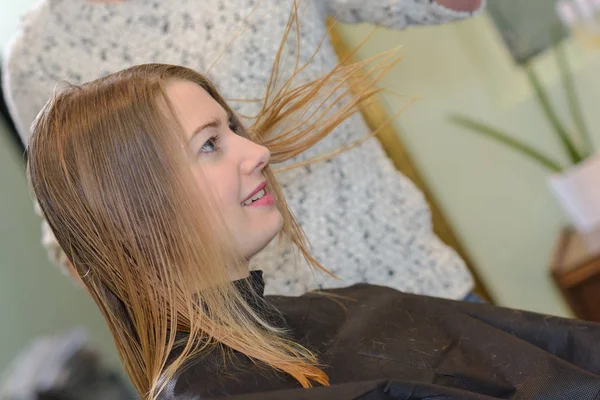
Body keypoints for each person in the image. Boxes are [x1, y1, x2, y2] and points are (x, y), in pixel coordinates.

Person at [27, 61, 600, 400]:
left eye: (233, 129)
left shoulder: (342, 309)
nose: (259, 151)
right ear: (139, 207)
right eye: (210, 144)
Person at [5, 0, 485, 300]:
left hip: (408, 280)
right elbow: (77, 224)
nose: (257, 155)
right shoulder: (39, 59)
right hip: (261, 346)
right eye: (213, 142)